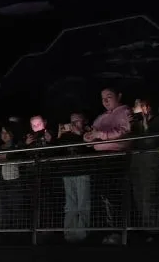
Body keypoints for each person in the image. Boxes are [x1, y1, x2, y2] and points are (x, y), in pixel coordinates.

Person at [86, 87, 133, 243]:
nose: (105, 101)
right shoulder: (100, 117)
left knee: (114, 194)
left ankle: (118, 231)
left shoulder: (125, 111)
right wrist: (88, 137)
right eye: (102, 98)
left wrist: (100, 134)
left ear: (119, 96)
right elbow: (92, 134)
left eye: (109, 97)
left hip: (116, 157)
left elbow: (124, 131)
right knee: (103, 195)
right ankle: (109, 230)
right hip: (101, 158)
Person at [129, 98, 159, 235]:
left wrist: (145, 124)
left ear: (147, 107)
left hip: (150, 161)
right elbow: (131, 140)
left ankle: (153, 229)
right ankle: (144, 228)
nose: (136, 110)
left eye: (139, 107)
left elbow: (151, 141)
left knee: (149, 195)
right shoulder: (135, 124)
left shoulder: (157, 120)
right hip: (136, 161)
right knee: (138, 194)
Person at [57, 113, 91, 243]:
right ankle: (69, 234)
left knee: (83, 204)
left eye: (77, 121)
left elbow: (91, 148)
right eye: (72, 122)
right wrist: (59, 135)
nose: (74, 124)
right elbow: (57, 151)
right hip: (68, 172)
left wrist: (79, 134)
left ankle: (83, 234)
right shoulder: (66, 136)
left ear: (83, 121)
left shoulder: (88, 133)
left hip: (82, 172)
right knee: (70, 205)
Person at [0, 125, 26, 231]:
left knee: (16, 207)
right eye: (2, 133)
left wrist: (7, 156)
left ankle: (17, 231)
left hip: (15, 181)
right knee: (3, 209)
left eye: (6, 133)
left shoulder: (18, 146)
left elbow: (19, 154)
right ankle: (5, 231)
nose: (4, 135)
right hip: (2, 182)